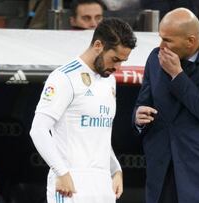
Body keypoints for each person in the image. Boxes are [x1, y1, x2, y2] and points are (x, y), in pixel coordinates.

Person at [133, 8, 199, 203]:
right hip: (163, 170)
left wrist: (177, 75)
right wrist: (138, 116)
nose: (161, 45)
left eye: (168, 40)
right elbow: (143, 102)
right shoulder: (155, 58)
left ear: (190, 40)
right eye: (161, 37)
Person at [29, 17, 137, 203]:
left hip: (103, 184)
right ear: (98, 45)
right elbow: (38, 130)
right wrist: (61, 172)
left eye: (122, 61)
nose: (118, 67)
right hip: (70, 183)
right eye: (115, 59)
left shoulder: (109, 80)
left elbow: (100, 133)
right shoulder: (64, 77)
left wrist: (115, 169)